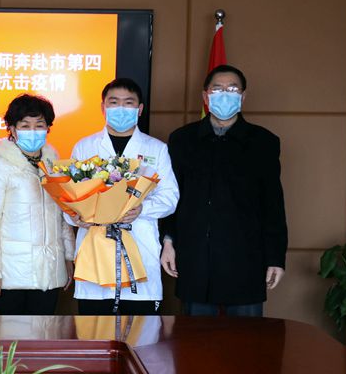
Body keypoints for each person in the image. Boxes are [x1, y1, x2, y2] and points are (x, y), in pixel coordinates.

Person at [161, 64, 288, 317]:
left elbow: (273, 204)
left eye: (232, 89)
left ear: (243, 96)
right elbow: (173, 196)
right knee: (195, 338)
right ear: (205, 96)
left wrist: (275, 257)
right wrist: (168, 241)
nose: (225, 94)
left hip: (245, 257)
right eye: (217, 89)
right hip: (196, 254)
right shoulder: (182, 139)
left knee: (246, 338)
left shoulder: (263, 142)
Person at [68, 78, 180, 315]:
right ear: (103, 107)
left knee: (142, 331)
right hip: (94, 253)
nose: (121, 108)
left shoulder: (156, 148)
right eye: (114, 102)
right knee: (94, 331)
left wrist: (141, 209)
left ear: (139, 109)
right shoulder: (84, 147)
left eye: (128, 103)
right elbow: (69, 197)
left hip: (139, 247)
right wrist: (76, 217)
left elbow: (170, 198)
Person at [0, 94, 75, 315]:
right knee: (10, 335)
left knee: (44, 333)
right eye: (25, 126)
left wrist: (68, 257)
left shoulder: (53, 165)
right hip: (11, 275)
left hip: (50, 271)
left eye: (39, 125)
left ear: (47, 128)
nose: (33, 131)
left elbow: (62, 215)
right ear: (12, 130)